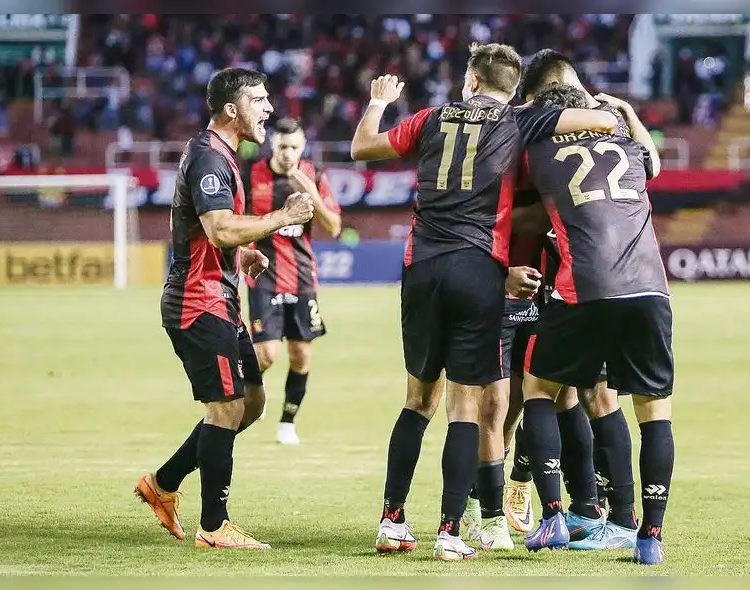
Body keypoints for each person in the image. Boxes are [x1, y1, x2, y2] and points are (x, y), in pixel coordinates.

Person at [349, 42, 618, 561]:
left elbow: (363, 147)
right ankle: (451, 531)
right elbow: (601, 124)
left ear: (470, 81)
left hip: (420, 266)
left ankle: (391, 521)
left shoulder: (429, 118)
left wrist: (380, 101)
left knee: (417, 401)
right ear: (513, 88)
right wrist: (594, 100)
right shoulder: (522, 120)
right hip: (479, 270)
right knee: (467, 406)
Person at [134, 67, 315, 550]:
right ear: (232, 110)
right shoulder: (211, 161)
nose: (269, 108)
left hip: (222, 297)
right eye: (259, 100)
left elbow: (215, 233)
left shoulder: (222, 155)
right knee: (226, 407)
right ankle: (214, 526)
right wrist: (281, 218)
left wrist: (242, 254)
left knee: (250, 404)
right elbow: (217, 228)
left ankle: (163, 483)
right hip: (198, 303)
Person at [520, 83, 673, 565]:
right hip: (650, 288)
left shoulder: (538, 146)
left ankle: (551, 518)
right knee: (655, 412)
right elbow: (654, 162)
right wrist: (625, 109)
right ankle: (648, 537)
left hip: (583, 285)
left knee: (539, 389)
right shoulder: (628, 143)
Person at [243, 117, 342, 446]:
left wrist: (311, 193)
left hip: (301, 279)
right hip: (263, 276)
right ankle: (244, 398)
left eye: (294, 147)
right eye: (282, 146)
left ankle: (287, 422)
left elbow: (334, 227)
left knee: (301, 354)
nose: (288, 153)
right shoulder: (250, 176)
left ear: (303, 148)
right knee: (267, 354)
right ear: (271, 145)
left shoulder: (315, 176)